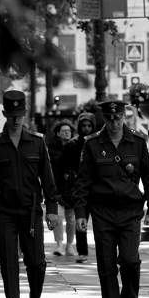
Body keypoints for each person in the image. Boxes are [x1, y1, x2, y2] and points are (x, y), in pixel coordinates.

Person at [74, 100, 149, 298]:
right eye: (109, 119)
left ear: (124, 117)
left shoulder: (137, 143)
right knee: (107, 265)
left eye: (117, 118)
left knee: (130, 261)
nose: (114, 123)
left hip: (130, 212)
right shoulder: (92, 144)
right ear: (104, 119)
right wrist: (81, 213)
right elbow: (83, 181)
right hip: (103, 212)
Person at [0, 90, 59, 298]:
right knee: (9, 264)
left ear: (24, 114)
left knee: (36, 263)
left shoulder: (36, 142)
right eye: (11, 115)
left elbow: (47, 177)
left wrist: (52, 209)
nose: (16, 119)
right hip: (5, 211)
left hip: (31, 211)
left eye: (19, 114)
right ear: (5, 114)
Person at [59, 112, 96, 263]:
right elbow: (62, 167)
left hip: (97, 188)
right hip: (79, 188)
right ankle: (82, 252)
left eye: (89, 125)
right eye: (83, 125)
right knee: (80, 219)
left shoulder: (99, 144)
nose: (86, 128)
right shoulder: (71, 145)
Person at [48, 119, 75, 256]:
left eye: (69, 131)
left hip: (71, 188)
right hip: (56, 187)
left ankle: (69, 245)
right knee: (57, 217)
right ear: (58, 133)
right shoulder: (51, 149)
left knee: (71, 219)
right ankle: (59, 245)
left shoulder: (76, 147)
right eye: (64, 131)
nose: (66, 133)